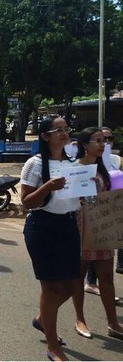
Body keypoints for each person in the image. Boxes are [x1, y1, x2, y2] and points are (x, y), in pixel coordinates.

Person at [20, 116, 79, 361]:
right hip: (42, 228)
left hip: (68, 225)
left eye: (67, 129)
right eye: (58, 130)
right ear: (45, 136)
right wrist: (47, 187)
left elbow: (76, 192)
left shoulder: (73, 161)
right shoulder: (35, 164)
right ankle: (53, 346)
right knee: (51, 287)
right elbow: (26, 202)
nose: (64, 133)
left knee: (73, 286)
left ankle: (42, 318)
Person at [71, 127, 123, 341]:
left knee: (107, 278)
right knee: (78, 277)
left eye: (105, 140)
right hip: (80, 229)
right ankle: (80, 319)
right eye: (97, 141)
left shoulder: (104, 168)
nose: (103, 144)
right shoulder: (74, 168)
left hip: (102, 229)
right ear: (84, 145)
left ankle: (113, 322)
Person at [85, 126, 123, 296]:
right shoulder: (86, 162)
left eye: (109, 139)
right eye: (100, 139)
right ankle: (91, 282)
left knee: (106, 258)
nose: (105, 143)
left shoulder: (117, 159)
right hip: (90, 216)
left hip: (112, 212)